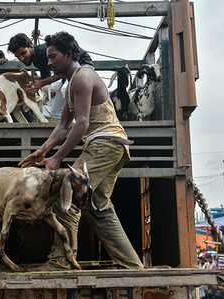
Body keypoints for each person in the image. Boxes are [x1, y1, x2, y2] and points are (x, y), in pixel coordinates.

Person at [18, 31, 143, 271]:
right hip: (110, 145)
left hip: (105, 143)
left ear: (68, 54)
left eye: (53, 56)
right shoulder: (70, 85)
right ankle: (133, 266)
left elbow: (82, 124)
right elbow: (64, 125)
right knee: (99, 207)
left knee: (68, 193)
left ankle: (60, 262)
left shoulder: (83, 77)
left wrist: (57, 158)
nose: (49, 61)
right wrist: (42, 151)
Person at [4, 33, 94, 121]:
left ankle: (82, 122)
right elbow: (47, 77)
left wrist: (41, 84)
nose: (21, 58)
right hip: (67, 75)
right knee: (56, 113)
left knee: (66, 89)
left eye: (23, 53)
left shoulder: (43, 51)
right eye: (18, 56)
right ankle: (66, 133)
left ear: (31, 47)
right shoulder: (35, 60)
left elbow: (64, 70)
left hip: (83, 66)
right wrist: (30, 77)